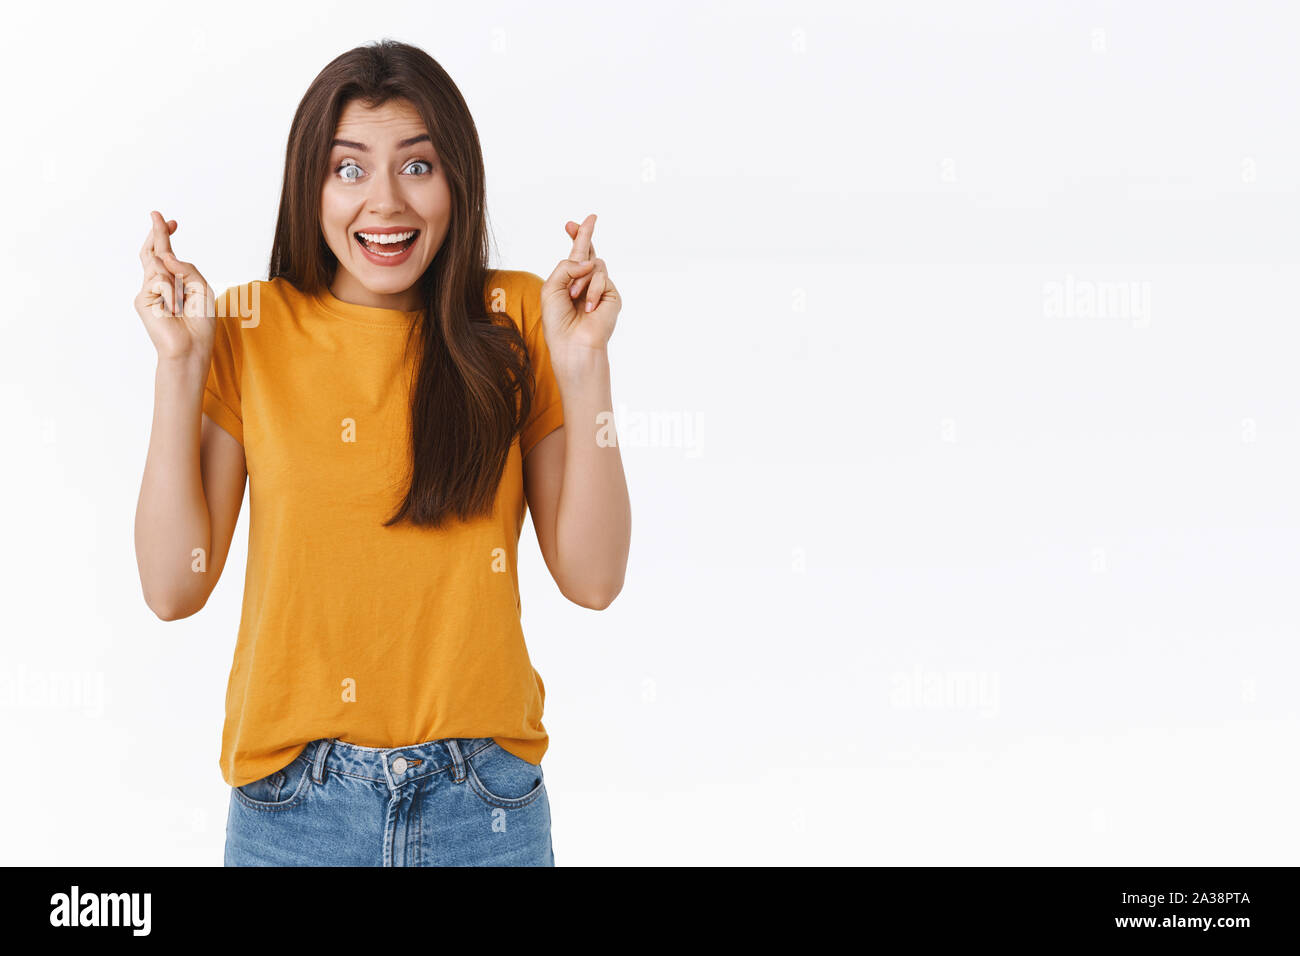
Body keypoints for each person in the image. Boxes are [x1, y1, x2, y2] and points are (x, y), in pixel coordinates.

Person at [132, 39, 631, 866]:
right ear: (311, 186)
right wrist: (179, 364)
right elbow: (170, 587)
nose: (386, 204)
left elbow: (595, 578)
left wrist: (585, 369)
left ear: (457, 181)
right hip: (294, 812)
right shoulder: (250, 326)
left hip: (485, 808)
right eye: (350, 169)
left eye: (419, 166)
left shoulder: (518, 317)